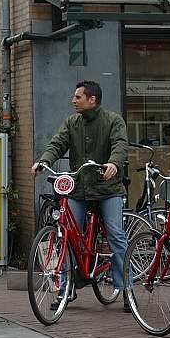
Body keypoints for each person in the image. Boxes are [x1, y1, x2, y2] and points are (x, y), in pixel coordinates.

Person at [34, 80, 130, 312]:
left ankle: (127, 288)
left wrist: (114, 164)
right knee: (68, 233)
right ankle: (67, 288)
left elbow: (120, 145)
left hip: (108, 189)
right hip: (80, 188)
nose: (73, 100)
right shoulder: (72, 122)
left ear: (92, 100)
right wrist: (44, 160)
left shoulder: (113, 121)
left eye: (78, 97)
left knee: (116, 234)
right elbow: (58, 143)